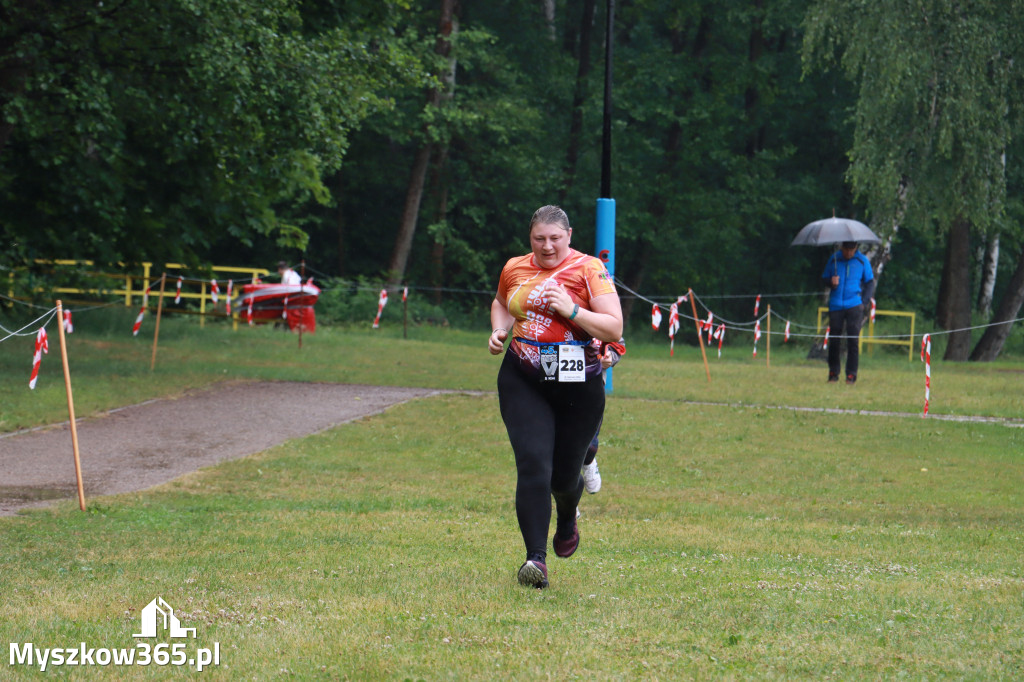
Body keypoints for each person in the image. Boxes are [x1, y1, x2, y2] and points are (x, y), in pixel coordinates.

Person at [488, 205, 623, 589]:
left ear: (569, 236)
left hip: (577, 385)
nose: (547, 246)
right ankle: (535, 560)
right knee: (532, 464)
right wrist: (499, 331)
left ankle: (568, 515)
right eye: (539, 239)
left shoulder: (589, 270)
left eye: (555, 238)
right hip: (523, 377)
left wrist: (573, 309)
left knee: (563, 478)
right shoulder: (515, 266)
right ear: (530, 238)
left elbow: (614, 327)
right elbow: (501, 302)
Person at [821, 241, 875, 384]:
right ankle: (833, 373)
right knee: (834, 340)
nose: (848, 253)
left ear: (856, 248)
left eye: (852, 250)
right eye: (846, 250)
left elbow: (870, 283)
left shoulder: (862, 261)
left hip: (854, 305)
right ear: (842, 248)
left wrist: (864, 302)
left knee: (853, 340)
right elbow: (824, 278)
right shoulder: (834, 259)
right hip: (836, 305)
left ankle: (851, 375)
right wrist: (831, 282)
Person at [581, 338, 626, 495]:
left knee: (588, 442)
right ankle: (568, 507)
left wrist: (610, 357)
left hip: (593, 387)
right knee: (560, 447)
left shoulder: (604, 312)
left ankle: (588, 460)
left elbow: (617, 341)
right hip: (556, 384)